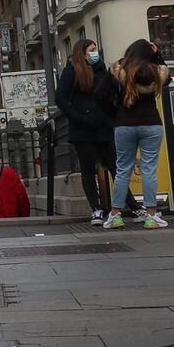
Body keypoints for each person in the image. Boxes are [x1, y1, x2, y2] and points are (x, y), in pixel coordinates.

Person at [99, 39, 169, 230]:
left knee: (122, 170)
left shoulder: (117, 71)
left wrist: (115, 114)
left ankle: (115, 215)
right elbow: (167, 77)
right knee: (149, 170)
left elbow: (100, 94)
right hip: (151, 124)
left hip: (124, 125)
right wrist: (158, 55)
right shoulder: (155, 70)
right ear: (149, 54)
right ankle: (151, 216)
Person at [56, 40, 115, 224]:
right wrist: (78, 117)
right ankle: (96, 210)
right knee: (88, 170)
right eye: (92, 49)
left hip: (102, 125)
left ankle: (128, 206)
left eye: (96, 48)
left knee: (115, 167)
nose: (95, 52)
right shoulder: (73, 69)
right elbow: (61, 97)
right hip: (83, 127)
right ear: (83, 52)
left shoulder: (101, 68)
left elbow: (108, 94)